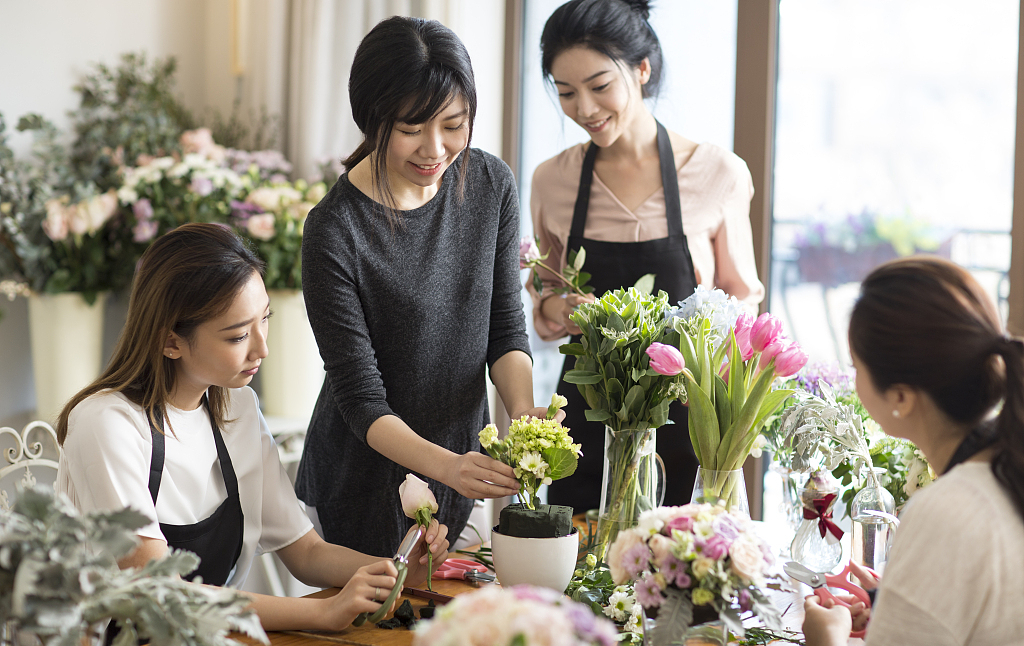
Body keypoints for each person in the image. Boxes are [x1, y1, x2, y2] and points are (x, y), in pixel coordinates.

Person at [56, 223, 449, 633]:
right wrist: (320, 613)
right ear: (170, 342)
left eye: (265, 320)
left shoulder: (237, 409)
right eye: (238, 335)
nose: (262, 348)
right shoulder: (106, 424)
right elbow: (159, 593)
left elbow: (306, 553)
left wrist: (394, 569)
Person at [295, 16, 554, 558]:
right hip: (361, 482)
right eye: (411, 129)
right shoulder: (335, 229)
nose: (435, 148)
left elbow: (504, 327)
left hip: (462, 470)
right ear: (372, 119)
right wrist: (450, 467)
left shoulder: (490, 184)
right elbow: (360, 399)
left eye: (453, 125)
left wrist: (524, 412)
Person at [530, 0, 764, 511]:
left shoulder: (716, 173)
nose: (584, 109)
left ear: (641, 69)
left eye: (599, 86)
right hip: (585, 426)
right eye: (565, 93)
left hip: (685, 421)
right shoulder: (553, 180)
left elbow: (741, 300)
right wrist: (559, 308)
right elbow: (544, 293)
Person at [802, 256, 1024, 645]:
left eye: (857, 368)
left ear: (901, 397)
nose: (854, 381)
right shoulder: (1007, 466)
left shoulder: (947, 512)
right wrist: (898, 603)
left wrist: (826, 639)